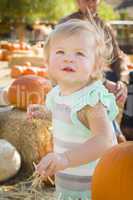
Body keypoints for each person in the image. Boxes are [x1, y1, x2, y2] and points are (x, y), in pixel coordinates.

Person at [27, 19, 118, 199]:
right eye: (60, 52)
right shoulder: (56, 94)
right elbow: (68, 117)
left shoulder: (91, 101)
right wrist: (46, 114)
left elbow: (104, 140)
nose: (68, 58)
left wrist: (65, 159)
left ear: (96, 67)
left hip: (94, 185)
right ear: (47, 62)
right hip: (67, 181)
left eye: (79, 53)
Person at [59, 0, 128, 142]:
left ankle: (125, 130)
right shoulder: (67, 25)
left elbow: (118, 57)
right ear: (77, 1)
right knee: (94, 92)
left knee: (126, 83)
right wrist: (103, 82)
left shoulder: (105, 27)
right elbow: (69, 61)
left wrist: (122, 81)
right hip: (74, 77)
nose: (90, 3)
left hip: (100, 76)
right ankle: (115, 136)